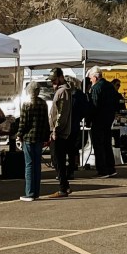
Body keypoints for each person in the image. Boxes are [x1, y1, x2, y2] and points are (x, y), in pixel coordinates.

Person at [16, 81, 50, 201]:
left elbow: (23, 123)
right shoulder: (43, 103)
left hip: (29, 138)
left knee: (29, 165)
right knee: (37, 165)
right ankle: (36, 192)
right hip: (40, 137)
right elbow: (46, 122)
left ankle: (29, 192)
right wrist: (47, 137)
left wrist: (19, 135)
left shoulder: (26, 104)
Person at [88, 66, 120, 179]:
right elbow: (116, 102)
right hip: (108, 120)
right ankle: (111, 168)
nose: (90, 80)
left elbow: (94, 105)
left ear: (95, 77)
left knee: (99, 145)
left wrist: (90, 118)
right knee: (107, 144)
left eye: (91, 78)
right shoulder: (109, 86)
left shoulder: (96, 88)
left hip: (98, 120)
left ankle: (102, 170)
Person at [47, 68, 73, 197]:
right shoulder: (63, 91)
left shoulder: (62, 92)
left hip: (59, 132)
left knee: (57, 159)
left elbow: (61, 113)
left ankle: (63, 187)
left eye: (54, 80)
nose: (53, 83)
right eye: (52, 81)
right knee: (58, 159)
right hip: (59, 131)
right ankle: (65, 186)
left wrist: (55, 130)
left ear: (61, 77)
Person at [68, 79, 90, 180]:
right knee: (72, 148)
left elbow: (85, 110)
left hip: (72, 124)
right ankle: (72, 168)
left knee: (72, 148)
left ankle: (71, 168)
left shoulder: (78, 96)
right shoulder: (80, 95)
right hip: (73, 124)